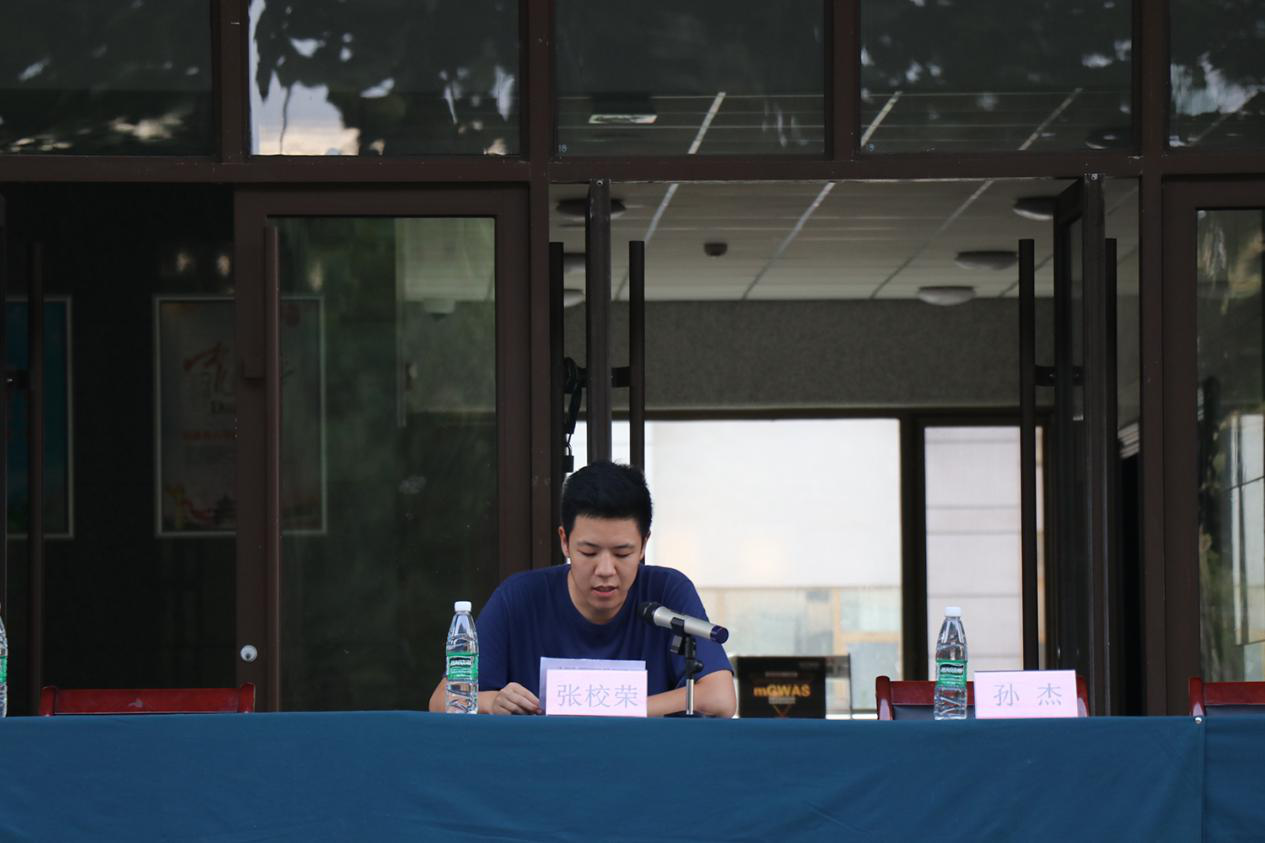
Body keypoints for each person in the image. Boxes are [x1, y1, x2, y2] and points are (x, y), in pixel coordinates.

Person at [428, 461, 736, 717]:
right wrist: (492, 702)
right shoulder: (519, 598)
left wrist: (609, 710)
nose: (605, 570)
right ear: (564, 541)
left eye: (622, 553)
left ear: (644, 544)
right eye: (589, 552)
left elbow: (720, 698)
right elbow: (442, 701)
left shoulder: (668, 591)